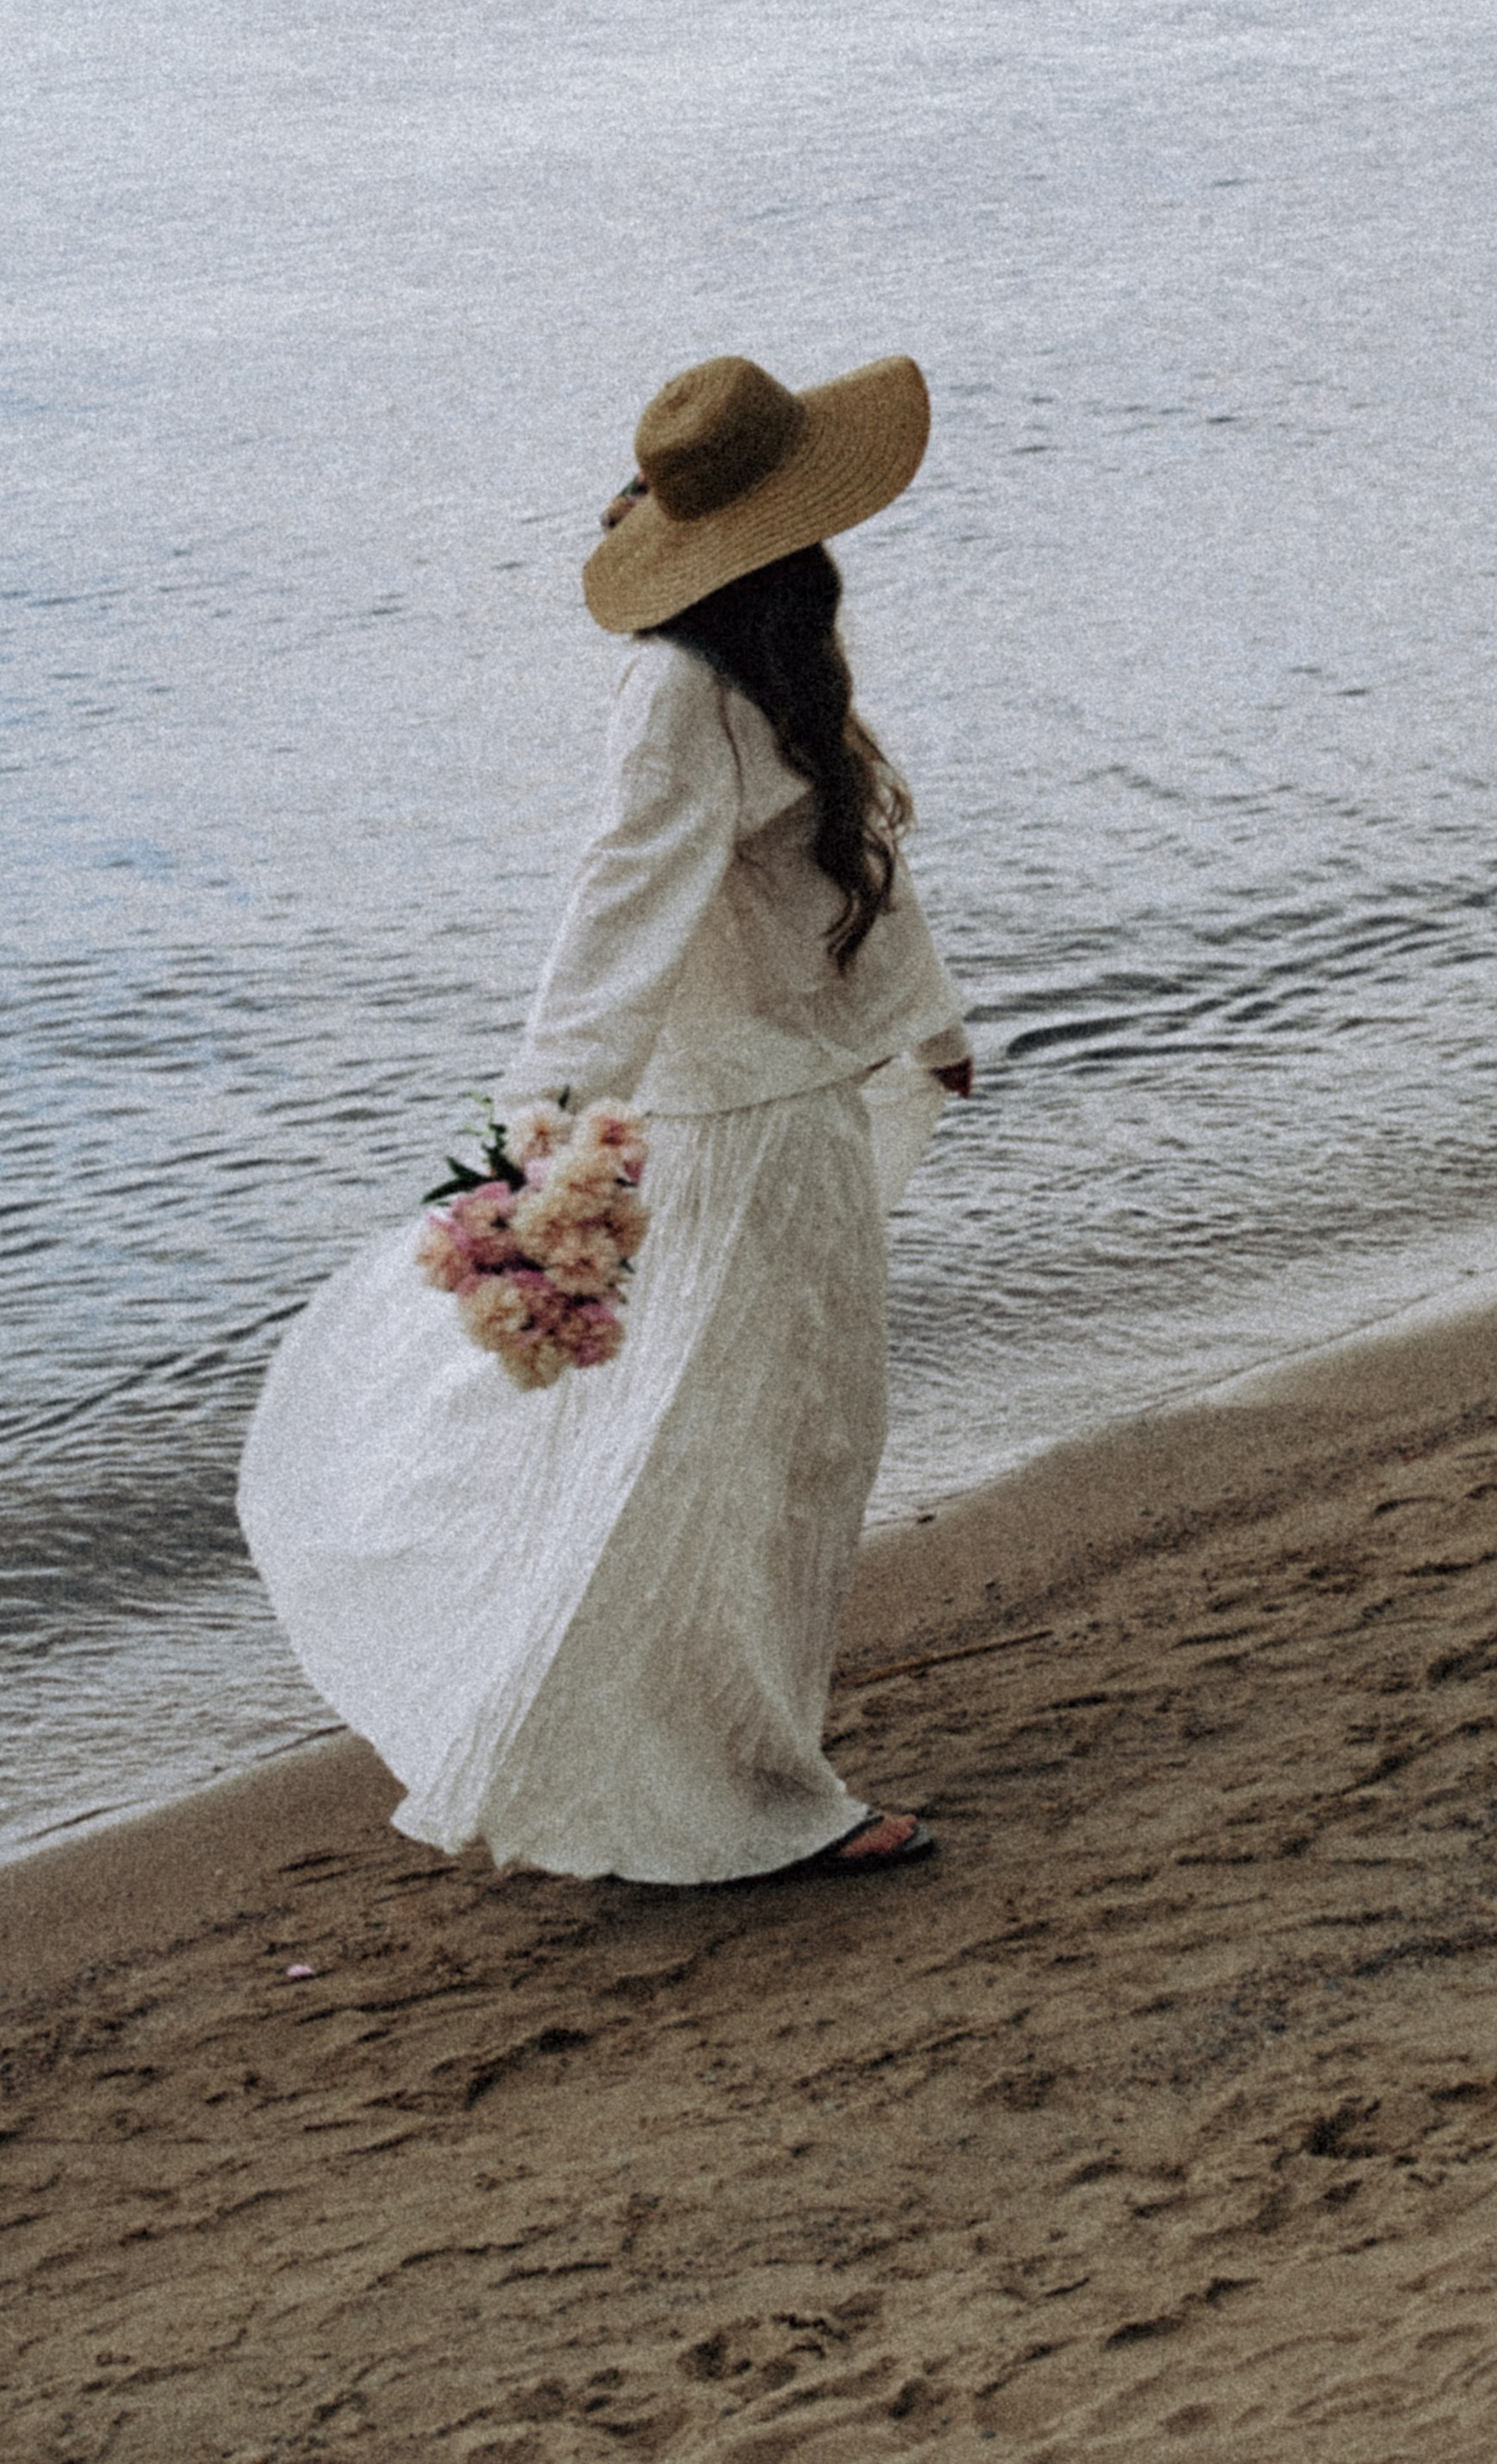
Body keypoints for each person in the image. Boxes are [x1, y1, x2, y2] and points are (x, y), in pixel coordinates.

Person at [238, 352, 971, 1885]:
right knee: (728, 1464)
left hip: (793, 1125)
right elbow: (616, 912)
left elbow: (837, 875)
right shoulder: (682, 689)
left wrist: (924, 1021)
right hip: (737, 1141)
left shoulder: (767, 660)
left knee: (781, 1455)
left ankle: (722, 1760)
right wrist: (540, 1129)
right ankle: (758, 1796)